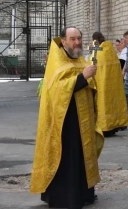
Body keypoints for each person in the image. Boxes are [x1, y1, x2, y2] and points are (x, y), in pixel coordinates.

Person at [30, 27, 104, 209]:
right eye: (72, 39)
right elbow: (56, 90)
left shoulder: (80, 59)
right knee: (67, 158)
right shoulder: (57, 60)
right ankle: (66, 197)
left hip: (83, 119)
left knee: (82, 156)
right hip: (64, 121)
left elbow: (88, 83)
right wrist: (82, 77)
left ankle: (84, 193)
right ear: (63, 41)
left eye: (79, 38)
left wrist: (90, 79)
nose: (77, 42)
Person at [89, 32, 128, 137]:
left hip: (101, 84)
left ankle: (104, 127)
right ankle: (113, 126)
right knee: (112, 105)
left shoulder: (97, 52)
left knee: (102, 105)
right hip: (113, 85)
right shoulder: (111, 50)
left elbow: (91, 64)